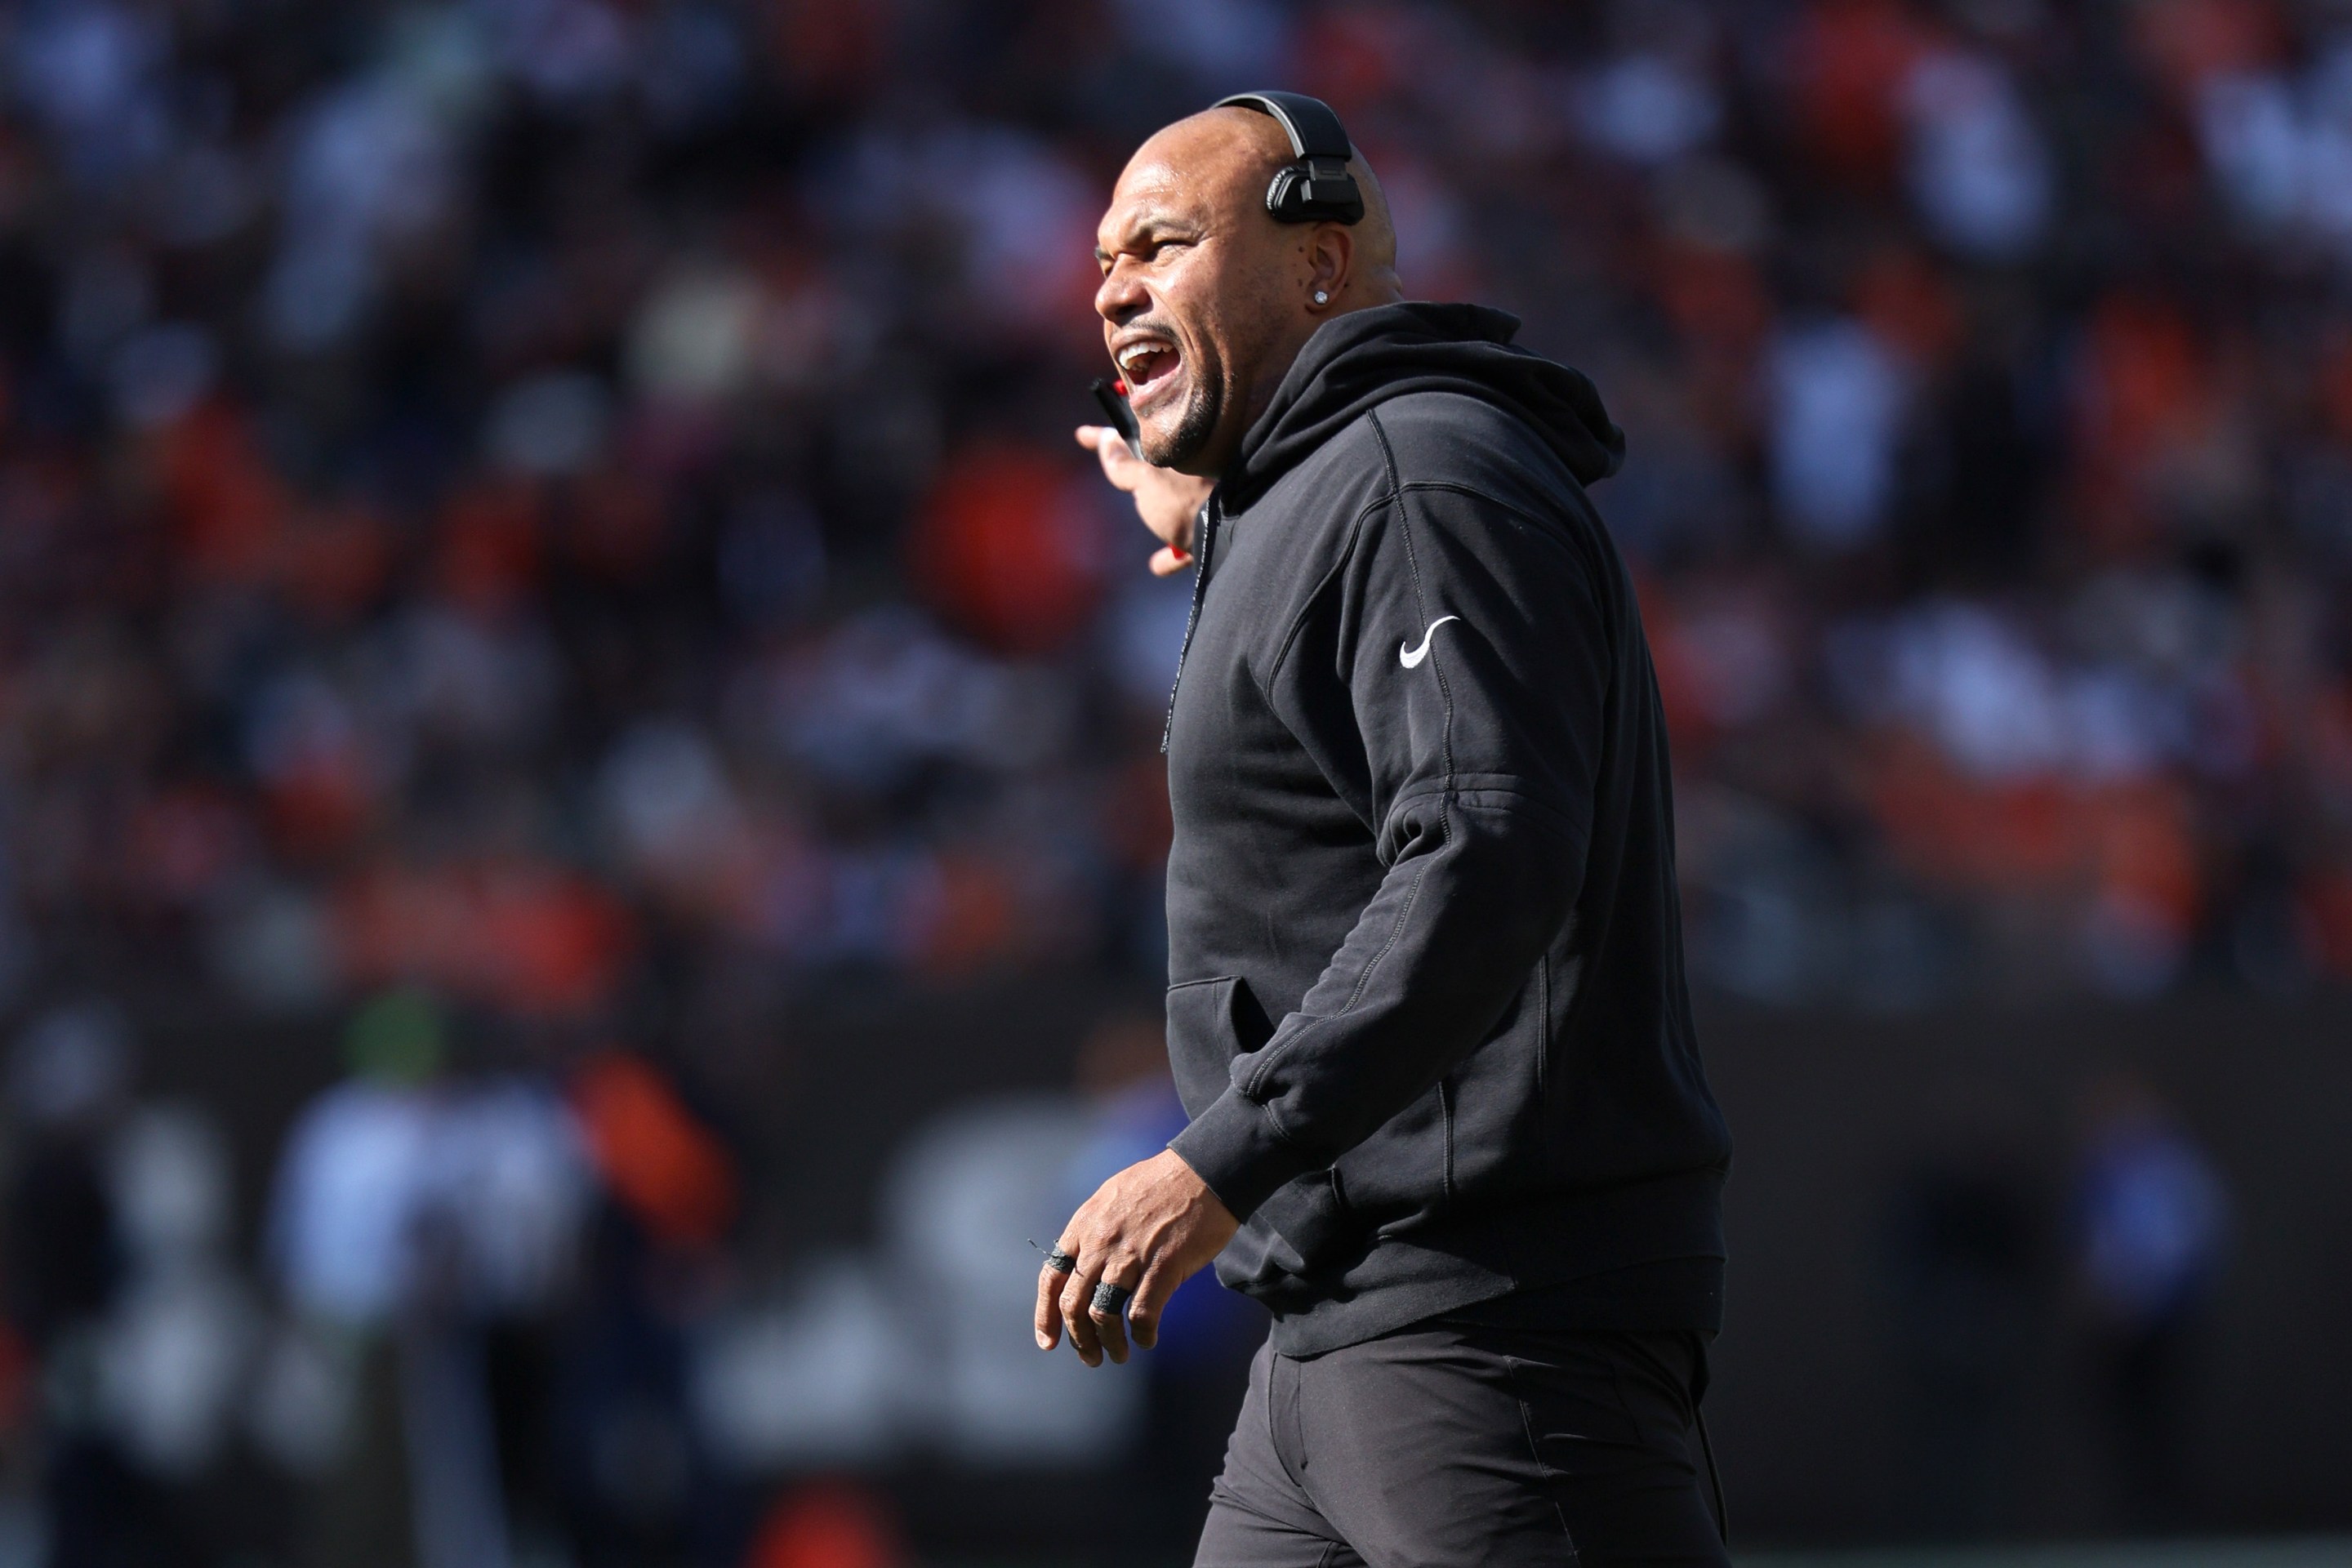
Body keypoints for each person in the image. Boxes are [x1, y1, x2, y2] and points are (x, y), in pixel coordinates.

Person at [1036, 94, 1735, 1567]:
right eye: (1103, 259)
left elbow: (1485, 853)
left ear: (1321, 261)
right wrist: (1226, 514)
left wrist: (1215, 1161)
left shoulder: (1422, 476)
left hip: (1493, 1332)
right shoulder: (1331, 490)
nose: (1110, 287)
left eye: (1162, 242)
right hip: (1338, 1342)